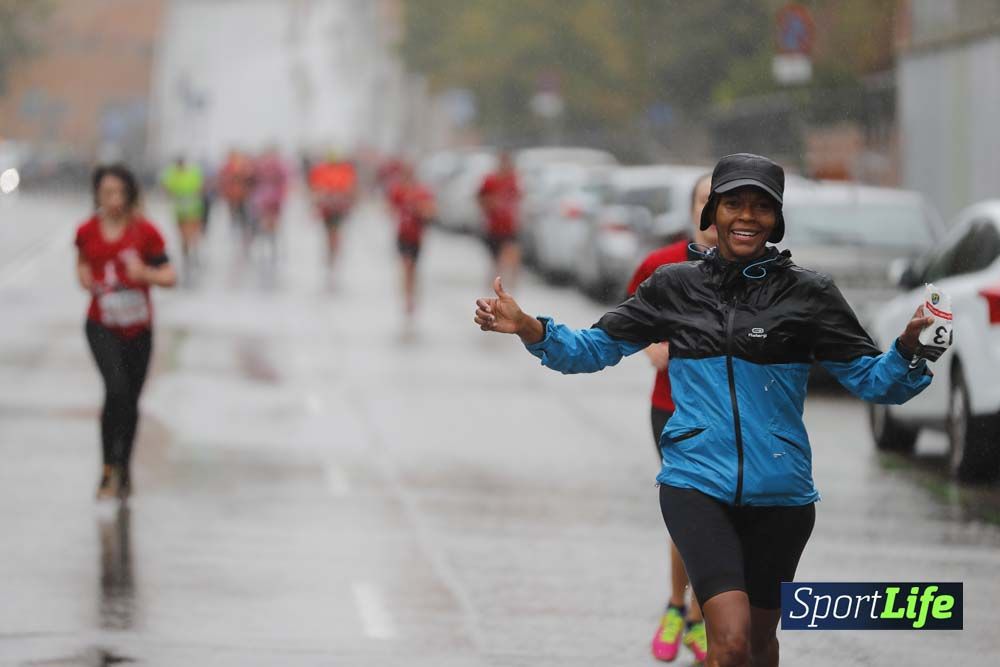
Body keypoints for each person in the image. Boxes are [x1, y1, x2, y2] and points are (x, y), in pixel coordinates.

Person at [473, 153, 938, 667]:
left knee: (758, 645)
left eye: (761, 206)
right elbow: (592, 349)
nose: (747, 216)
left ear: (777, 219)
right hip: (696, 485)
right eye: (733, 203)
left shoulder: (810, 294)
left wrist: (908, 350)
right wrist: (530, 327)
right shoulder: (674, 286)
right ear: (711, 211)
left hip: (780, 495)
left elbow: (874, 380)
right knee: (730, 640)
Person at [628, 173, 712, 663]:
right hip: (671, 408)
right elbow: (629, 315)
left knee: (723, 517)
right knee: (690, 515)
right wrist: (651, 346)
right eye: (704, 201)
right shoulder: (661, 264)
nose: (712, 211)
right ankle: (678, 608)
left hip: (730, 415)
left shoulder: (752, 271)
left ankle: (698, 614)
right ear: (692, 209)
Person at [76, 163, 177, 500]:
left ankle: (124, 467)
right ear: (97, 195)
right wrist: (83, 275)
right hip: (101, 325)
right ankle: (107, 468)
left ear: (130, 195)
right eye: (107, 193)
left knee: (131, 400)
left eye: (120, 193)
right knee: (115, 389)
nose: (114, 200)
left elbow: (170, 276)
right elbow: (82, 262)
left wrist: (145, 274)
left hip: (138, 329)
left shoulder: (145, 232)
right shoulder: (87, 231)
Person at [388, 165, 435, 316]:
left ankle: (412, 293)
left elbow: (431, 211)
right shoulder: (398, 191)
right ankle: (408, 298)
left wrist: (421, 210)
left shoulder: (422, 192)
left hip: (417, 236)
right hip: (402, 235)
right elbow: (390, 208)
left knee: (413, 268)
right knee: (406, 266)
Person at [477, 151, 521, 287]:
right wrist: (491, 204)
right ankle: (494, 287)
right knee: (496, 263)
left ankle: (510, 288)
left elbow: (518, 198)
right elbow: (479, 198)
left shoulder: (513, 180)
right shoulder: (490, 180)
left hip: (510, 226)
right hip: (494, 227)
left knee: (512, 256)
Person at [308, 153, 358, 267]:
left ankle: (334, 251)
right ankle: (331, 250)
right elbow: (316, 187)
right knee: (329, 231)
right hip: (327, 207)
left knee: (336, 230)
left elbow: (350, 188)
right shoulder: (322, 170)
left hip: (339, 207)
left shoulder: (345, 170)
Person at [160, 156, 204, 267]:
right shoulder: (173, 176)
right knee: (183, 235)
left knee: (193, 234)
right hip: (181, 211)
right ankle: (187, 255)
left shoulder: (192, 174)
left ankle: (193, 253)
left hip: (193, 209)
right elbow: (166, 188)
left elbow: (200, 188)